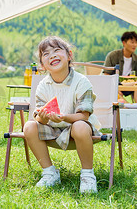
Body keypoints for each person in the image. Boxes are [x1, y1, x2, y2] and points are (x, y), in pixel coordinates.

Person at [23, 36, 102, 193]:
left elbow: (84, 116)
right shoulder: (43, 86)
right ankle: (49, 172)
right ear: (42, 65)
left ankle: (87, 175)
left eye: (57, 50)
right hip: (52, 131)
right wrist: (43, 118)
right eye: (46, 54)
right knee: (29, 126)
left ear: (69, 55)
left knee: (79, 126)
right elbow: (39, 116)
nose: (52, 55)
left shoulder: (81, 82)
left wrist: (64, 117)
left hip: (80, 130)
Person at [104, 31, 137, 102]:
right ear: (124, 43)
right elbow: (106, 75)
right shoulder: (113, 55)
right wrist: (115, 87)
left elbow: (134, 78)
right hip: (113, 85)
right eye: (132, 42)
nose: (135, 45)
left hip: (129, 86)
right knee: (120, 100)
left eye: (136, 42)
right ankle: (127, 108)